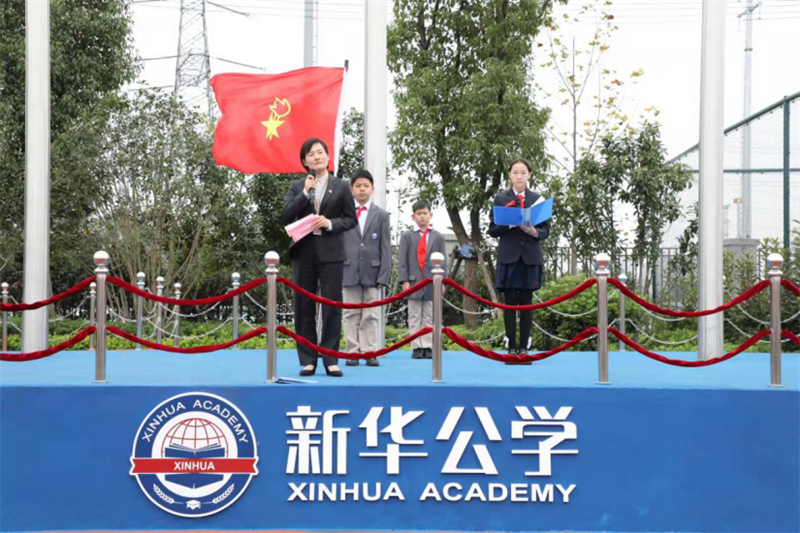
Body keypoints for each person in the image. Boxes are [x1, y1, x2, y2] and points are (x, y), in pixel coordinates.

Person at [279, 138, 357, 377]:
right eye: (311, 154)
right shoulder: (297, 186)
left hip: (331, 253)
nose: (316, 157)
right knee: (304, 306)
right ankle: (308, 359)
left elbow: (351, 219)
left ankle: (331, 359)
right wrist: (305, 193)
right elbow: (286, 216)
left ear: (328, 157)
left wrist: (329, 223)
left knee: (332, 306)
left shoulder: (341, 186)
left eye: (320, 152)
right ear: (305, 161)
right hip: (303, 253)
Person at [488, 158, 550, 364]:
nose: (519, 176)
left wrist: (533, 231)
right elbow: (492, 230)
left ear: (529, 175)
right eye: (515, 172)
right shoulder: (500, 199)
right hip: (509, 257)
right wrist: (510, 224)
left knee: (526, 303)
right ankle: (511, 348)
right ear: (509, 175)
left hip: (530, 258)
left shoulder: (537, 200)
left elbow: (545, 230)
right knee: (509, 303)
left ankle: (524, 348)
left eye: (523, 172)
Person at [342, 169, 392, 367]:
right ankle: (352, 352)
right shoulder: (344, 213)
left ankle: (370, 351)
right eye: (358, 186)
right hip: (348, 269)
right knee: (350, 313)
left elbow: (386, 247)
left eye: (366, 186)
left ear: (372, 188)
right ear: (351, 189)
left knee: (370, 314)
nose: (362, 189)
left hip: (373, 271)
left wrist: (384, 275)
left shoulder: (381, 215)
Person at [397, 200, 447, 359]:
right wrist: (404, 280)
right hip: (413, 281)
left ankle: (428, 345)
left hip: (432, 281)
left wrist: (443, 281)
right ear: (413, 217)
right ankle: (416, 346)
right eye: (419, 214)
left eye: (425, 213)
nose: (422, 217)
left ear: (430, 215)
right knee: (414, 315)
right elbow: (402, 261)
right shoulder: (407, 236)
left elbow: (443, 260)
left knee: (429, 315)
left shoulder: (438, 237)